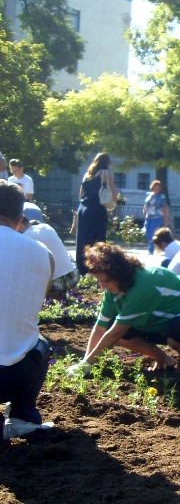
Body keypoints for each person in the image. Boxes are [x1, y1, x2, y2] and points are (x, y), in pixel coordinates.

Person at [69, 243, 180, 372]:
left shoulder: (143, 285)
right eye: (99, 281)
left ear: (119, 274)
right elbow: (100, 329)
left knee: (179, 329)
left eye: (105, 281)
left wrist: (87, 365)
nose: (102, 286)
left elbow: (116, 332)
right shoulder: (113, 292)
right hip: (165, 325)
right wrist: (85, 363)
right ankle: (164, 360)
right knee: (110, 325)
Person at [0, 180, 56, 439]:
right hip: (16, 376)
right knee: (39, 342)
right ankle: (22, 417)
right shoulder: (44, 254)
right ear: (20, 219)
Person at [17, 216, 79, 299]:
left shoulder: (26, 237)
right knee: (65, 255)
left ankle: (51, 297)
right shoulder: (46, 226)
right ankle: (76, 293)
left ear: (20, 226)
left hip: (55, 285)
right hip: (73, 276)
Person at [76, 153, 116, 275]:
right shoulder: (105, 173)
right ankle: (96, 268)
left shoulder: (87, 175)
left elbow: (80, 195)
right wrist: (115, 202)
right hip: (97, 209)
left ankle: (82, 269)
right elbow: (113, 195)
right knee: (98, 240)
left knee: (83, 240)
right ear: (107, 163)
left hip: (83, 209)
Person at [143, 180, 169, 255]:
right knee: (147, 233)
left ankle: (151, 249)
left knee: (152, 233)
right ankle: (154, 246)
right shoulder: (149, 195)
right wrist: (144, 213)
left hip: (157, 217)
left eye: (158, 188)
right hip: (149, 217)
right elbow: (145, 205)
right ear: (152, 187)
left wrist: (166, 218)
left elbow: (164, 207)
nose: (157, 189)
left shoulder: (161, 197)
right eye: (155, 187)